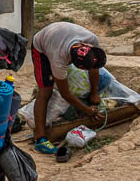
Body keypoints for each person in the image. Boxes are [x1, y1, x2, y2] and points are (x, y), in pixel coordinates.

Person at [31, 22, 107, 154]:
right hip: (41, 46)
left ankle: (90, 95)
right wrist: (89, 111)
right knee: (45, 92)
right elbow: (65, 93)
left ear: (87, 46)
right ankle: (40, 139)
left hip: (61, 33)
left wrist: (94, 93)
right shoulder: (59, 60)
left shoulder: (91, 39)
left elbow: (94, 69)